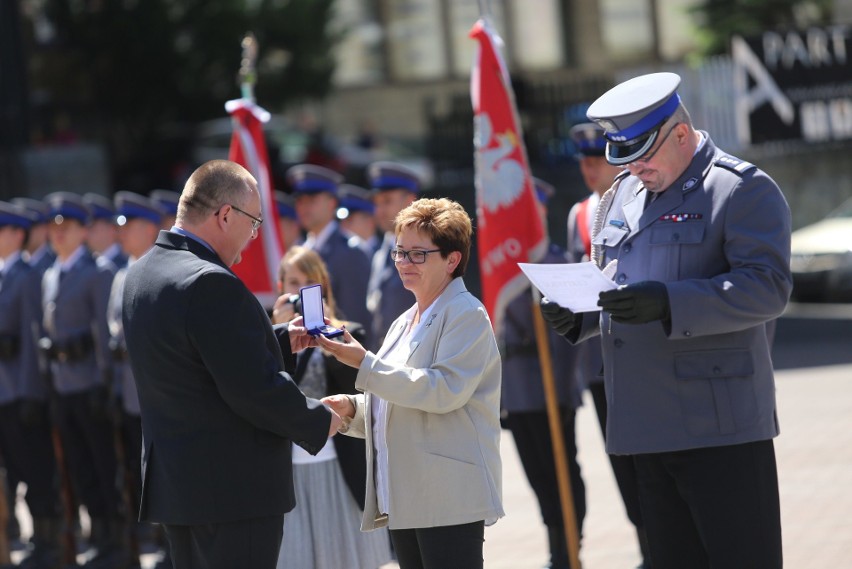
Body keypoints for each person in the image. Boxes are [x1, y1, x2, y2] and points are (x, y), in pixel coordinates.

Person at [541, 72, 790, 568]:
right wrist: (583, 316)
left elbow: (768, 288)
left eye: (644, 155)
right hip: (643, 425)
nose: (635, 169)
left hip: (720, 428)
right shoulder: (622, 196)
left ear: (680, 134)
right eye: (625, 158)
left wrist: (672, 302)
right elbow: (615, 282)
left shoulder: (740, 189)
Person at [121, 160, 341, 569]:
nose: (254, 237)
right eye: (254, 223)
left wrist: (279, 341)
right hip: (231, 493)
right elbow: (252, 389)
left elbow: (193, 360)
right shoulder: (209, 281)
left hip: (181, 490)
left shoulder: (143, 272)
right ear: (225, 215)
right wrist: (322, 418)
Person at [318, 197, 504, 569]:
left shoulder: (467, 313)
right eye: (400, 252)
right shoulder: (404, 321)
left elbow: (441, 391)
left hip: (447, 495)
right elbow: (394, 396)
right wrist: (352, 410)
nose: (404, 263)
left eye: (418, 254)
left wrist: (363, 363)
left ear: (452, 260)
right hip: (405, 495)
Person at [270, 246, 390, 569]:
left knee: (342, 557)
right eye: (293, 282)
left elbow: (355, 385)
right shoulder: (265, 339)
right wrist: (278, 335)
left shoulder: (348, 333)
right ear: (280, 287)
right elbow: (267, 389)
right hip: (287, 469)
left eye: (309, 283)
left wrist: (326, 334)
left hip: (337, 465)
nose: (299, 292)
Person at [566, 122, 651, 568]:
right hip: (599, 362)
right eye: (583, 161)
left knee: (651, 457)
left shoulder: (637, 200)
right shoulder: (579, 213)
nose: (590, 169)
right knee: (621, 457)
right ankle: (645, 543)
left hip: (637, 349)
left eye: (596, 159)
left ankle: (659, 544)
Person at [498, 179, 585, 569]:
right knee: (537, 477)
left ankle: (568, 547)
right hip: (516, 391)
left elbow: (569, 337)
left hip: (549, 391)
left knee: (560, 473)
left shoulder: (554, 261)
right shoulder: (499, 265)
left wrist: (566, 393)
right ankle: (557, 547)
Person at [41, 192, 129, 568]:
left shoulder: (96, 272)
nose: (59, 235)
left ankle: (119, 542)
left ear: (83, 231)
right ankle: (99, 536)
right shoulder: (50, 275)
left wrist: (106, 383)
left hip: (92, 385)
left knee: (105, 466)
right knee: (79, 468)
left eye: (68, 227)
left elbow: (102, 334)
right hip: (63, 385)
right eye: (54, 228)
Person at [0, 202, 64, 568]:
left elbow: (29, 338)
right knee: (16, 472)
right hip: (4, 391)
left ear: (14, 234)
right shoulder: (6, 274)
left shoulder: (24, 276)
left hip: (21, 391)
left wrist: (30, 391)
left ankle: (49, 543)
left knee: (37, 472)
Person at [106, 192, 168, 567]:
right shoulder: (120, 275)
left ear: (149, 229)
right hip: (127, 392)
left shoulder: (156, 271)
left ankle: (167, 546)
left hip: (155, 392)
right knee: (136, 472)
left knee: (163, 471)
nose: (121, 233)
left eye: (128, 226)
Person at [287, 164, 372, 348]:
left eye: (312, 199)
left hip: (337, 360)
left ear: (332, 203)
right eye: (300, 200)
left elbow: (354, 322)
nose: (304, 206)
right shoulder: (303, 248)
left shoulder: (350, 251)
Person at [365, 161, 419, 349]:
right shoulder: (381, 253)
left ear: (410, 201)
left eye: (387, 201)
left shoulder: (422, 252)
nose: (379, 210)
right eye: (376, 203)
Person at [83, 193, 128, 269]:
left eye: (92, 227)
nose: (87, 233)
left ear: (112, 229)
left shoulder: (125, 264)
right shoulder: (87, 263)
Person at [337, 184, 380, 257]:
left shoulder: (385, 254)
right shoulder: (340, 253)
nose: (343, 225)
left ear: (369, 222)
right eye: (341, 220)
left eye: (349, 220)